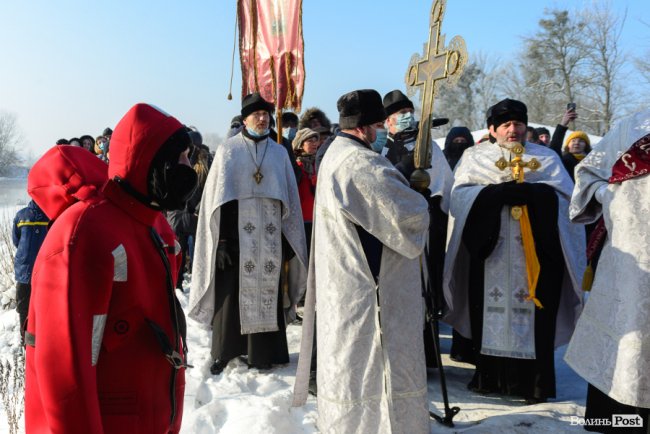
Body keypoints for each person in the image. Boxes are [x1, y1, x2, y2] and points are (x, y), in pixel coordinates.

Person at [25, 104, 195, 433]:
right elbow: (65, 373)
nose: (188, 168)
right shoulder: (83, 234)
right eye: (180, 158)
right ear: (150, 161)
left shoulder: (153, 224)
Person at [293, 89, 431, 433]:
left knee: (350, 365)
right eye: (379, 124)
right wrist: (420, 197)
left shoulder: (336, 152)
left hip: (344, 282)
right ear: (367, 127)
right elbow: (406, 218)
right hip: (366, 288)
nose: (383, 130)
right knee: (370, 369)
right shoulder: (360, 162)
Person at [443, 98, 585, 404]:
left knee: (536, 318)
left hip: (537, 259)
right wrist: (495, 194)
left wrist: (537, 194)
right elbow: (459, 199)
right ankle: (489, 378)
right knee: (489, 314)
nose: (513, 130)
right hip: (490, 254)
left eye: (518, 123)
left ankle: (534, 385)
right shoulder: (474, 157)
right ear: (492, 129)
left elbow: (569, 207)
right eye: (505, 124)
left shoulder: (546, 159)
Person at [189, 92, 307, 376]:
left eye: (266, 114)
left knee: (269, 292)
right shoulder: (229, 151)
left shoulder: (279, 151)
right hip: (235, 239)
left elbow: (288, 197)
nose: (264, 118)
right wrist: (222, 242)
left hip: (270, 238)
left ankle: (265, 353)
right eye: (257, 114)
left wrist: (287, 238)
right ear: (245, 119)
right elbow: (219, 201)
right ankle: (226, 351)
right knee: (231, 296)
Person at [564, 109, 650, 433]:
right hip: (631, 274)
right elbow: (589, 173)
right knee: (629, 360)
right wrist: (608, 195)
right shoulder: (634, 125)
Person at [382, 89, 453, 368]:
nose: (405, 118)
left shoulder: (430, 147)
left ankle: (424, 355)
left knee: (423, 287)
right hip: (390, 226)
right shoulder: (378, 148)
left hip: (426, 226)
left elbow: (447, 187)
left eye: (409, 113)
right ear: (387, 121)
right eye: (399, 115)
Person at [12, 199, 49, 336]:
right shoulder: (21, 215)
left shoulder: (51, 216)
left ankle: (41, 337)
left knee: (43, 306)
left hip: (45, 272)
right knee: (23, 307)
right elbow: (16, 240)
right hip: (24, 271)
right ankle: (24, 337)